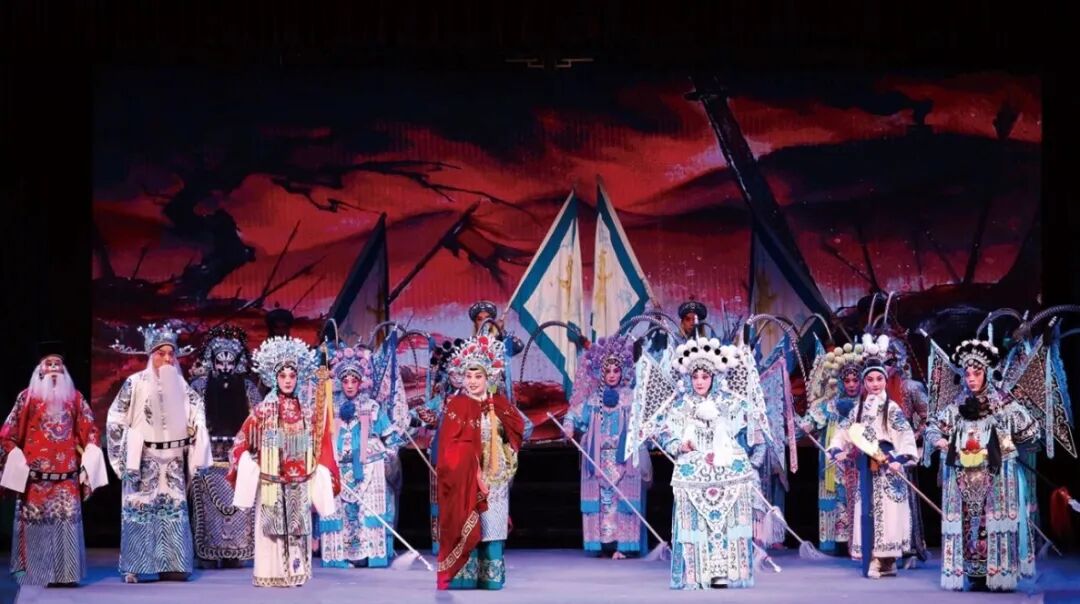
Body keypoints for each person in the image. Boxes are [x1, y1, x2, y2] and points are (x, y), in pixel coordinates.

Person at [924, 338, 1039, 592]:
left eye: (976, 374)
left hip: (996, 476)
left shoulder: (1002, 402)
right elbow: (932, 428)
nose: (971, 379)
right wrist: (940, 441)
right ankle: (975, 574)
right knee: (970, 524)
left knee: (993, 521)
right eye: (967, 374)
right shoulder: (957, 405)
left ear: (986, 373)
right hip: (965, 478)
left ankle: (999, 573)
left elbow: (1031, 430)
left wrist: (1007, 438)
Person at [657, 336, 770, 589]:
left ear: (714, 377)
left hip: (723, 467)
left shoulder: (729, 402)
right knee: (696, 522)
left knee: (725, 523)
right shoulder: (681, 405)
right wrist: (680, 445)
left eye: (705, 376)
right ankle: (696, 574)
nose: (699, 382)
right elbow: (666, 434)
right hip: (693, 470)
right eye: (695, 377)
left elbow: (747, 426)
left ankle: (724, 572)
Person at [228, 336, 340, 587]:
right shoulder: (262, 411)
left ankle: (296, 573)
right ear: (274, 378)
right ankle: (270, 574)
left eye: (292, 375)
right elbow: (240, 442)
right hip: (272, 483)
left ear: (298, 378)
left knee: (298, 530)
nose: (288, 380)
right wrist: (252, 462)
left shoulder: (307, 412)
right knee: (271, 533)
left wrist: (318, 467)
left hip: (299, 483)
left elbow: (319, 445)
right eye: (283, 376)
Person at [107, 323, 212, 583]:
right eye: (161, 353)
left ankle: (173, 564)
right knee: (140, 511)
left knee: (172, 511)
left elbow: (197, 411)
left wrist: (196, 427)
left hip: (172, 461)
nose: (167, 359)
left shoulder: (181, 386)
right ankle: (135, 565)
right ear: (151, 355)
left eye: (171, 354)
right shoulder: (135, 383)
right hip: (143, 460)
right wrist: (128, 450)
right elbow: (115, 418)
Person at [0, 342, 107, 586]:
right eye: (49, 364)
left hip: (66, 481)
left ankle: (66, 575)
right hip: (35, 481)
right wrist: (17, 461)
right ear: (40, 369)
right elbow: (7, 434)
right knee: (36, 526)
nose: (54, 368)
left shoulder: (75, 399)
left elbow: (91, 430)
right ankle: (36, 573)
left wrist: (89, 457)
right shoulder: (26, 398)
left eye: (58, 364)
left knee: (65, 527)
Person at [435, 335, 525, 590]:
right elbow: (448, 445)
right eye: (468, 376)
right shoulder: (456, 406)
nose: (472, 381)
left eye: (478, 376)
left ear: (489, 378)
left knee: (492, 526)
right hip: (465, 479)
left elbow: (518, 430)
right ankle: (464, 577)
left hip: (494, 478)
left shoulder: (500, 405)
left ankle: (490, 577)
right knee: (465, 521)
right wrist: (467, 459)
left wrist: (505, 447)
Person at [828, 334, 917, 579]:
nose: (875, 384)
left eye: (879, 379)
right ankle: (875, 558)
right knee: (868, 512)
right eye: (870, 379)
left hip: (888, 466)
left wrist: (901, 458)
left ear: (885, 380)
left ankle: (887, 560)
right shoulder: (858, 409)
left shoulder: (892, 408)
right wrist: (836, 448)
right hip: (866, 468)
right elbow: (844, 431)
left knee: (889, 512)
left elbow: (905, 436)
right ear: (864, 382)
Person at [561, 335, 651, 558]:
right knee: (603, 503)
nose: (612, 375)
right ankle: (603, 544)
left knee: (623, 501)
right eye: (607, 371)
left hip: (625, 458)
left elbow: (646, 421)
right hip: (598, 458)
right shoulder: (593, 399)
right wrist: (569, 427)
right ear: (600, 372)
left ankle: (624, 546)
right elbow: (572, 415)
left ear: (623, 372)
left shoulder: (631, 397)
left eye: (616, 371)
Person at [319, 345, 405, 568]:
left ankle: (371, 554)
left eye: (354, 381)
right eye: (345, 381)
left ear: (360, 383)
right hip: (339, 468)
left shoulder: (372, 407)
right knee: (341, 513)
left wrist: (387, 454)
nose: (349, 385)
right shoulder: (331, 408)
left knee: (367, 513)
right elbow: (321, 437)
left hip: (367, 469)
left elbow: (391, 437)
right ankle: (338, 555)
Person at [188, 324, 260, 568]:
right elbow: (190, 419)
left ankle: (235, 554)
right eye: (220, 362)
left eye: (231, 363)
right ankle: (207, 554)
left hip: (238, 460)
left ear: (238, 363)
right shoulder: (199, 387)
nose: (226, 368)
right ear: (212, 361)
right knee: (208, 513)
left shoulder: (249, 388)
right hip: (207, 460)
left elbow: (258, 420)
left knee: (237, 509)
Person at [798, 341, 865, 556]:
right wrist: (804, 424)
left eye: (855, 380)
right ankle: (836, 543)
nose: (852, 385)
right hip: (834, 462)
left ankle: (861, 541)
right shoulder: (829, 404)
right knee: (837, 500)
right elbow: (809, 422)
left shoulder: (869, 404)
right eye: (847, 380)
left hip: (861, 460)